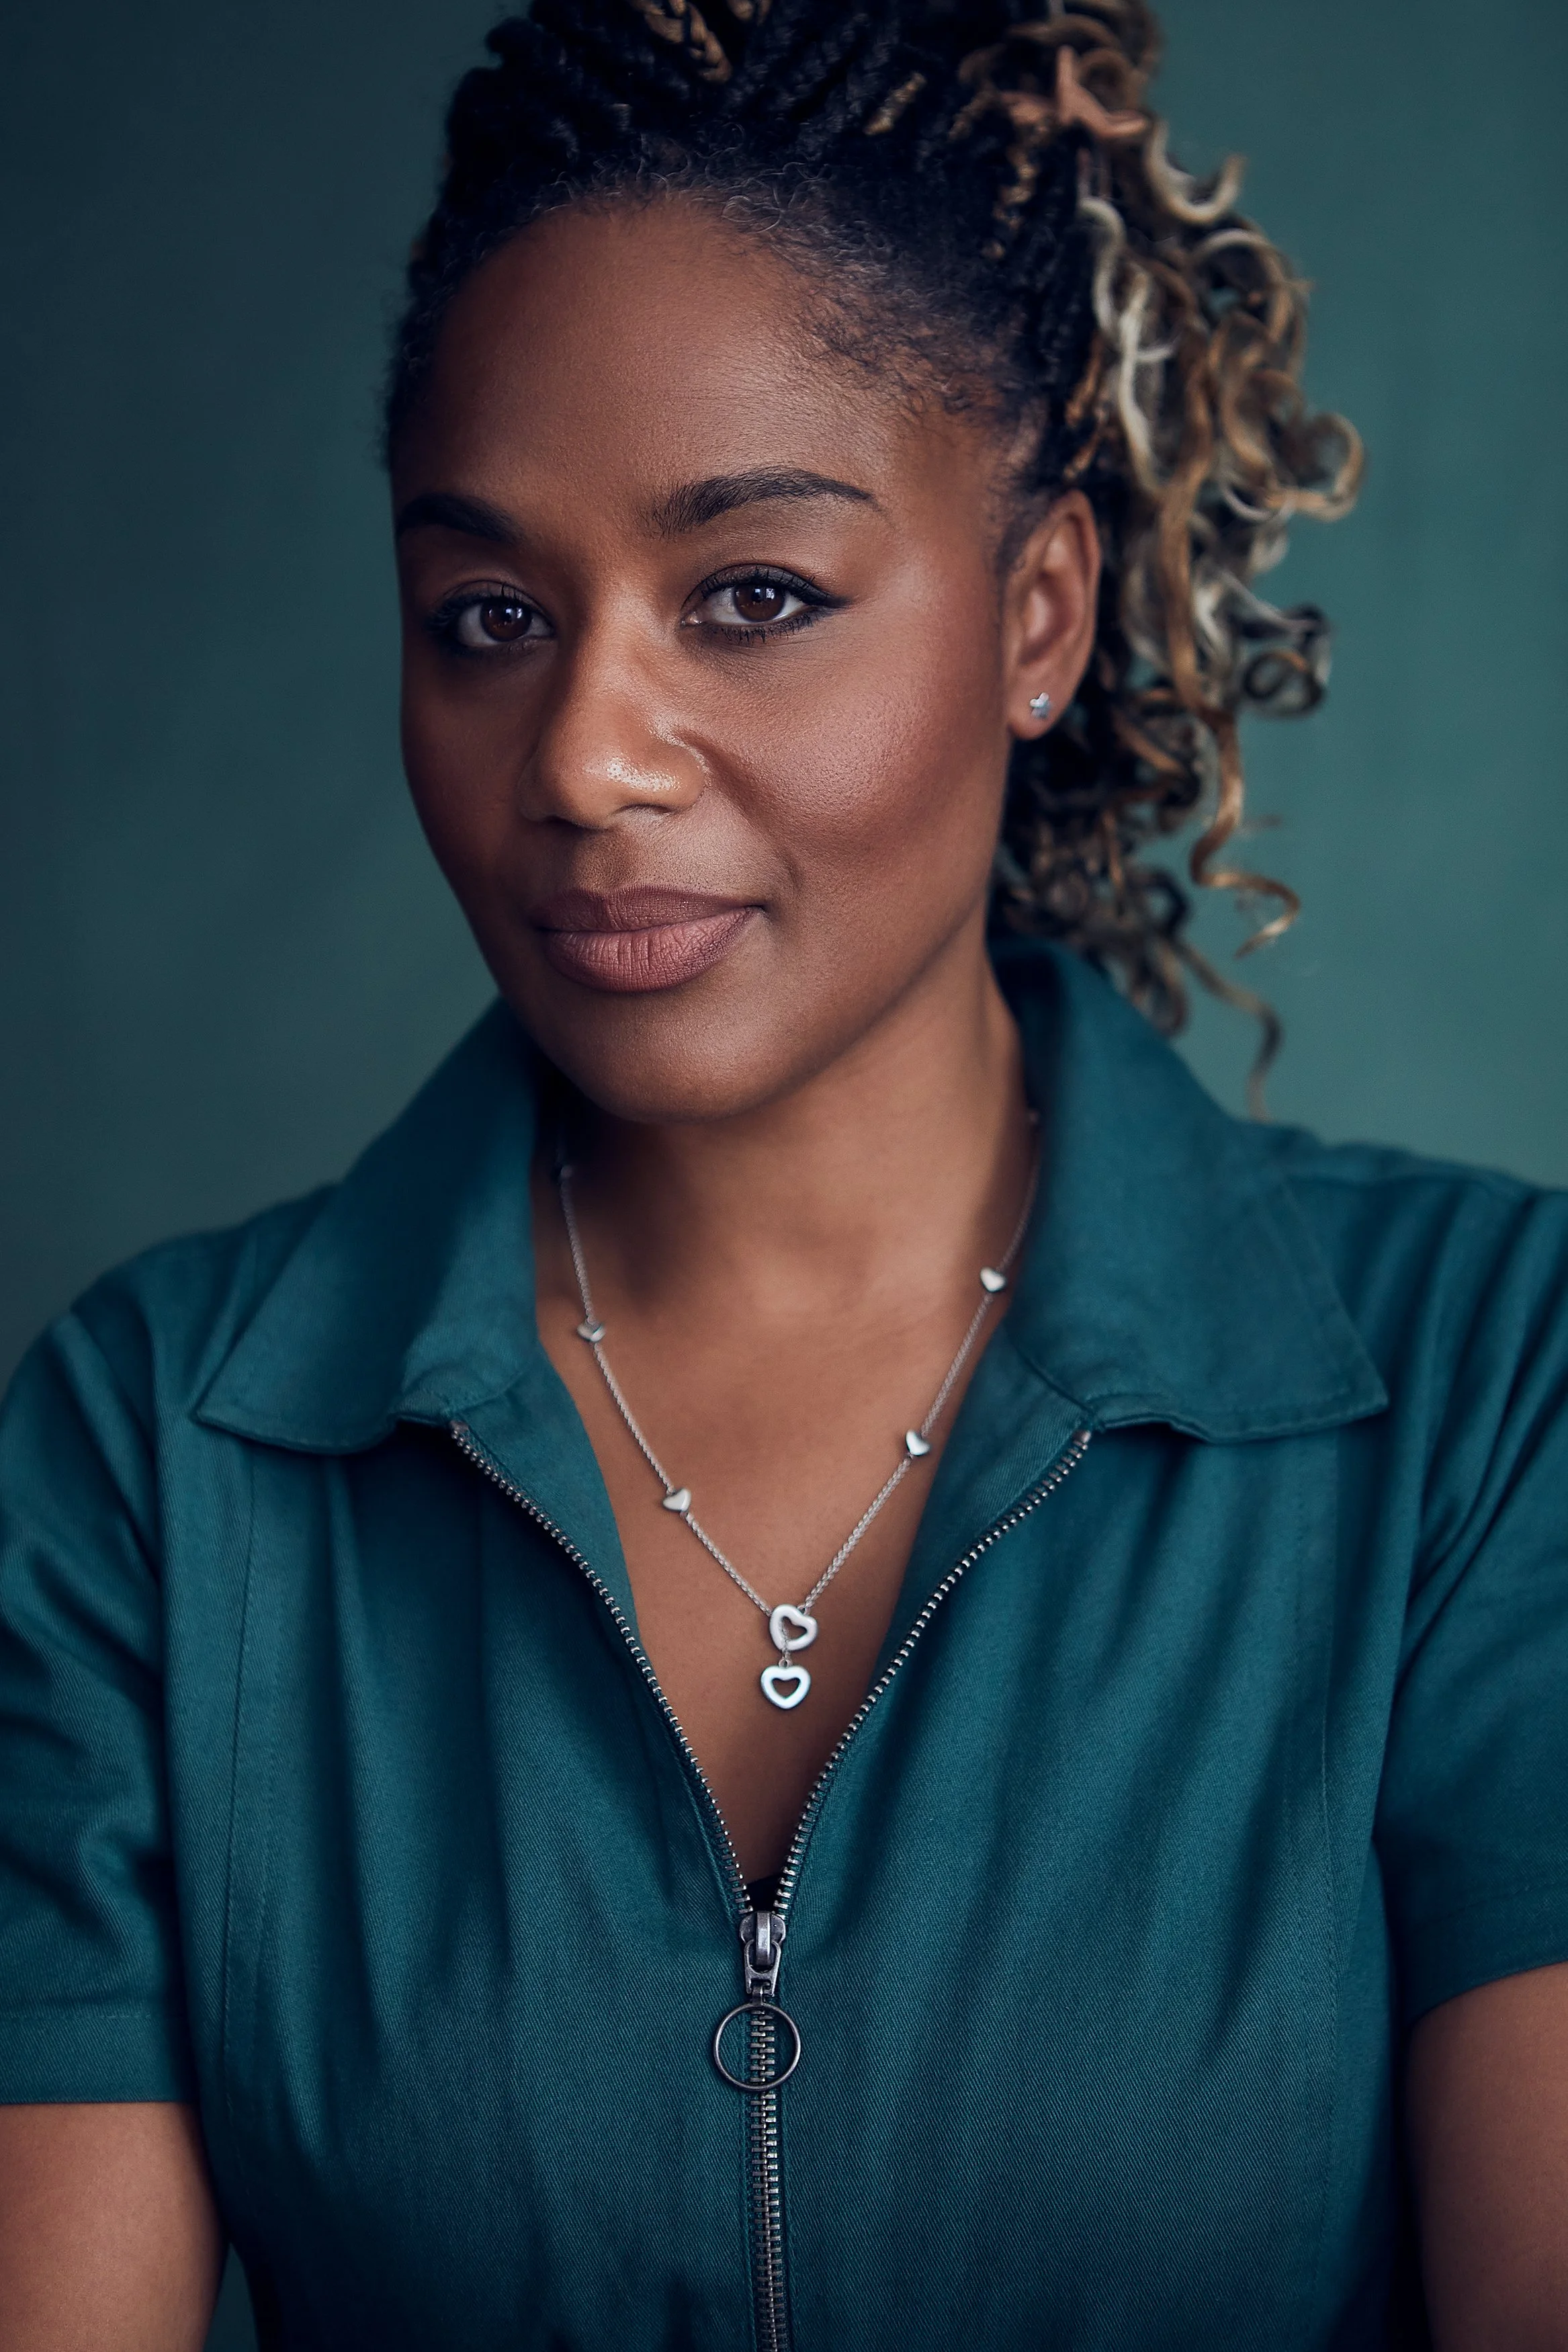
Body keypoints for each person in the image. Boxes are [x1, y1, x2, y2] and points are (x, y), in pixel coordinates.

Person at [2, 1, 1566, 2345]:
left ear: (1036, 613)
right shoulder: (156, 1459)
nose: (588, 755)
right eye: (489, 620)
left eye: (750, 594)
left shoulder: (1476, 1395)